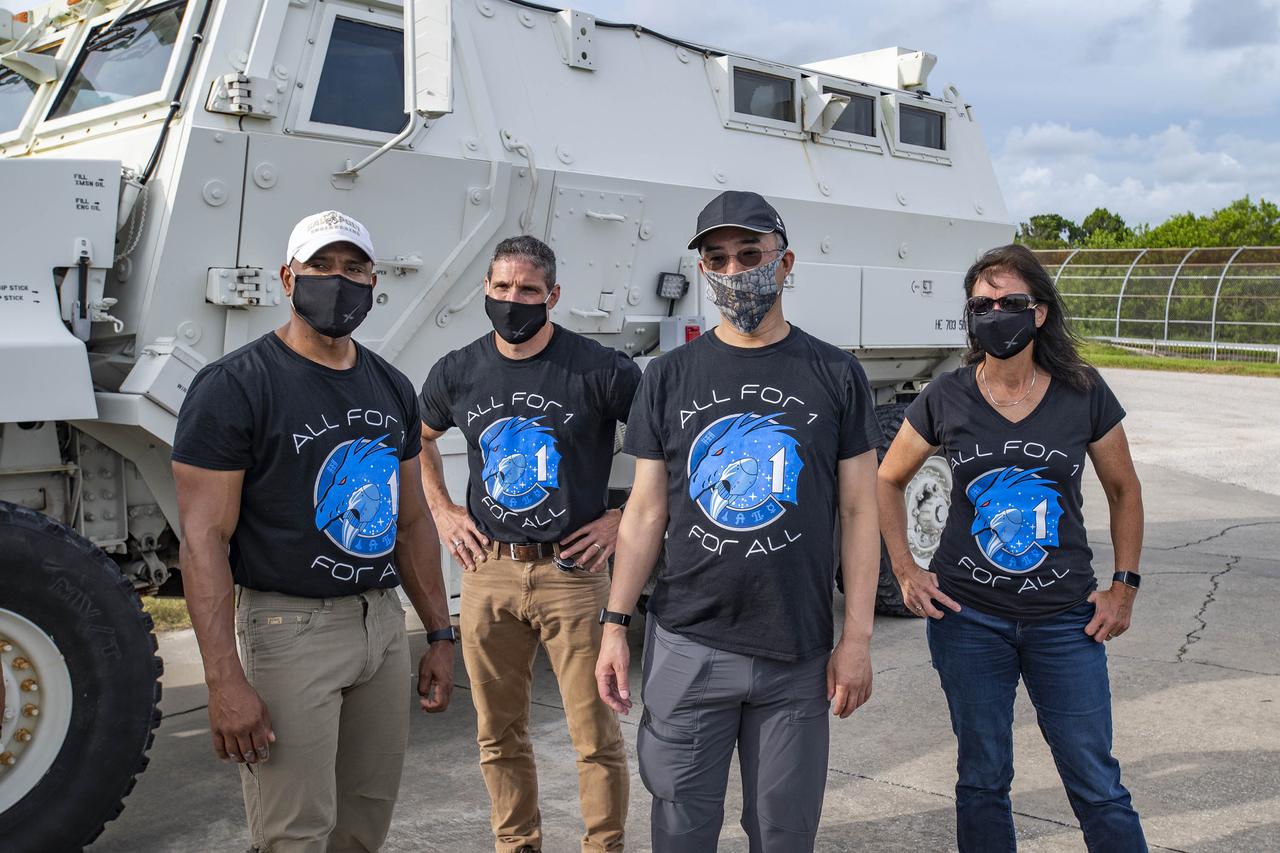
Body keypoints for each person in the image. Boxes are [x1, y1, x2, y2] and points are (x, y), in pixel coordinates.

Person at [595, 191, 884, 852]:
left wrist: (859, 637)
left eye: (750, 254)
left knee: (784, 834)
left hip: (796, 654)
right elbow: (643, 513)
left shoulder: (835, 373)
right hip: (690, 645)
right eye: (718, 258)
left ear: (785, 263)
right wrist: (614, 626)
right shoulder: (668, 376)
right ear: (702, 270)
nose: (734, 271)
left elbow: (860, 508)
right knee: (679, 831)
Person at [172, 210, 456, 853]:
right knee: (294, 832)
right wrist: (224, 679)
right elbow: (203, 542)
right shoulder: (234, 387)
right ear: (287, 276)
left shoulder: (390, 385)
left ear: (373, 282)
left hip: (380, 626)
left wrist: (438, 633)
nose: (338, 281)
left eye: (353, 268)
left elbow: (411, 521)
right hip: (288, 629)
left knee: (363, 825)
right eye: (321, 266)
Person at [877, 243, 1147, 852]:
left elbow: (1125, 490)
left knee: (1095, 780)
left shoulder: (1083, 392)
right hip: (968, 619)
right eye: (982, 304)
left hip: (1065, 622)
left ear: (1041, 312)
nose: (996, 313)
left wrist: (1124, 588)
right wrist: (905, 570)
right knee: (981, 777)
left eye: (1011, 302)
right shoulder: (946, 397)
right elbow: (887, 479)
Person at [417, 235, 639, 853]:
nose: (513, 301)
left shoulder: (598, 369)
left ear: (553, 296)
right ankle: (516, 845)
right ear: (485, 290)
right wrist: (442, 511)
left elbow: (670, 445)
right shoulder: (457, 370)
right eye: (502, 288)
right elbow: (419, 439)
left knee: (593, 735)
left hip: (572, 573)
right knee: (498, 733)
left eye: (528, 291)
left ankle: (603, 846)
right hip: (489, 571)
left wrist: (621, 518)